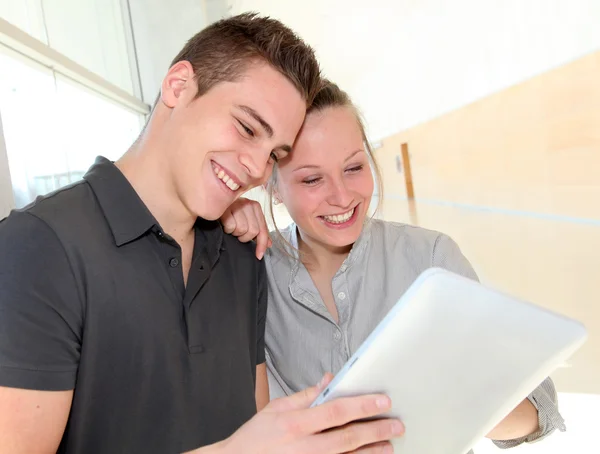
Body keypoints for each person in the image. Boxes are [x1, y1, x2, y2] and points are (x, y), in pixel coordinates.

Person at [0, 15, 405, 454]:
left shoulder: (242, 253)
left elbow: (256, 429)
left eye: (274, 154)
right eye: (248, 128)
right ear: (178, 86)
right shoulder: (38, 247)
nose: (255, 166)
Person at [221, 80, 567, 452]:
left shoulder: (431, 258)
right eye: (312, 178)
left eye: (353, 167)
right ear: (272, 185)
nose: (342, 196)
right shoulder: (253, 273)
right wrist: (219, 219)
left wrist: (459, 399)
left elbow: (539, 412)